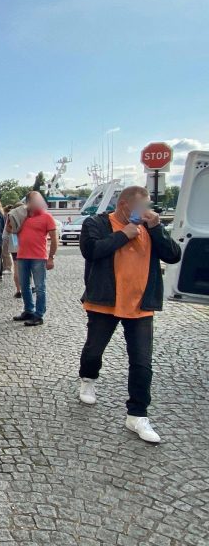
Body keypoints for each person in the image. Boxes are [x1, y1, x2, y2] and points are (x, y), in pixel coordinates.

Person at [78, 186, 181, 443]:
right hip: (105, 302)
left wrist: (157, 228)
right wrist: (123, 235)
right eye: (140, 206)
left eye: (147, 206)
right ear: (123, 204)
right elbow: (91, 250)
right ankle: (88, 378)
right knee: (94, 350)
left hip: (141, 305)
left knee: (142, 362)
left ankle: (137, 414)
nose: (145, 211)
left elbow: (173, 255)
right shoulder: (97, 223)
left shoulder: (151, 227)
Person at [8, 191, 58, 326]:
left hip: (38, 257)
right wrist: (10, 220)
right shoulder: (22, 216)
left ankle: (39, 314)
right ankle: (29, 310)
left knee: (40, 287)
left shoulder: (47, 217)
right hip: (22, 256)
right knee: (24, 286)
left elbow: (54, 238)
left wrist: (51, 257)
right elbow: (10, 230)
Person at [3, 203, 22, 298]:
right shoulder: (27, 216)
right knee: (27, 268)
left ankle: (19, 290)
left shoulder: (11, 216)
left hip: (15, 244)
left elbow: (7, 230)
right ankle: (27, 287)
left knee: (16, 268)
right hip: (26, 245)